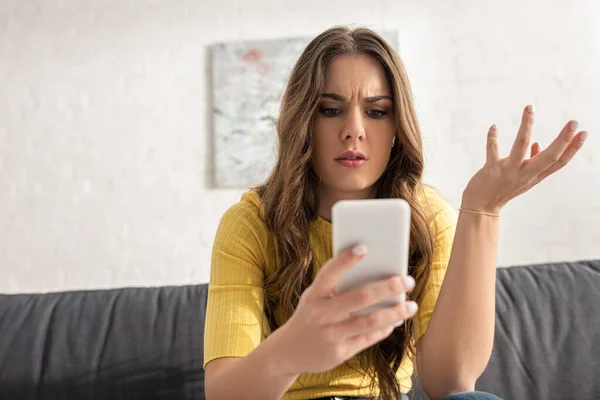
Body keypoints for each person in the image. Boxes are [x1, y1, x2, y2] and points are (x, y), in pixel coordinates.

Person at [202, 26, 588, 400]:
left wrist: (483, 210)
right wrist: (292, 349)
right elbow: (222, 393)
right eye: (332, 109)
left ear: (397, 126)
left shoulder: (426, 216)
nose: (353, 130)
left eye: (376, 112)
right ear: (303, 121)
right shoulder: (251, 223)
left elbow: (451, 381)